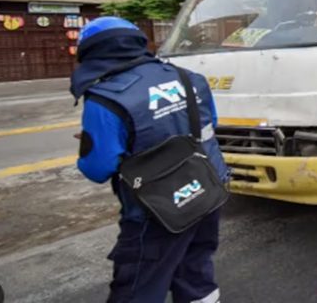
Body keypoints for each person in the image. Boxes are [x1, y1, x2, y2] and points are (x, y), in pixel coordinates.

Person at [69, 17, 228, 303]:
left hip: (157, 209)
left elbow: (98, 167)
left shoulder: (106, 99)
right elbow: (207, 125)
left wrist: (100, 141)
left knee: (138, 286)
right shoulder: (189, 77)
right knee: (195, 270)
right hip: (207, 188)